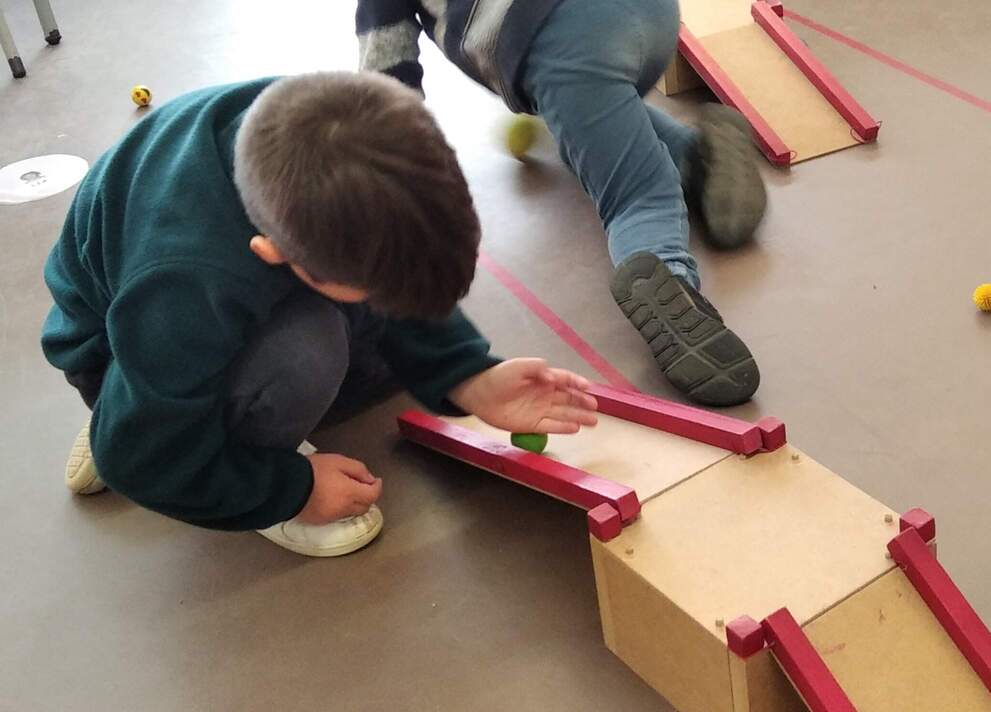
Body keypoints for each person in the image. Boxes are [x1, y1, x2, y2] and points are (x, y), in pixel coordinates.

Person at [42, 72, 598, 557]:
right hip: (117, 341)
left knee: (379, 339)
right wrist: (291, 490)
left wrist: (469, 376)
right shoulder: (186, 287)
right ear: (273, 253)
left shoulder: (333, 134)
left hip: (177, 312)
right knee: (309, 351)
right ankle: (140, 411)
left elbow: (393, 271)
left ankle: (150, 402)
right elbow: (135, 461)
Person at [357, 0, 767, 406]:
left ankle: (670, 276)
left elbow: (387, 93)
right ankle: (695, 154)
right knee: (594, 121)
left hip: (564, 41)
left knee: (637, 193)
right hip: (655, 17)